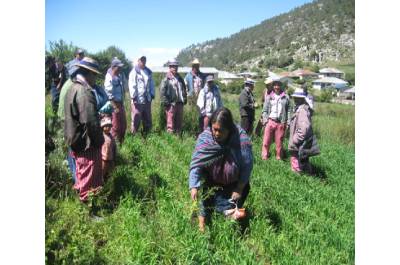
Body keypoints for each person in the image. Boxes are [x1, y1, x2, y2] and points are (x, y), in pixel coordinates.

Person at [189, 107, 253, 231]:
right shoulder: (205, 138)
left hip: (233, 184)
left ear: (229, 130)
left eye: (221, 131)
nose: (217, 134)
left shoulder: (241, 140)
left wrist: (239, 188)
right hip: (212, 181)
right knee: (205, 205)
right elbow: (197, 164)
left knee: (228, 215)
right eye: (215, 129)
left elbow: (247, 165)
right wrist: (194, 186)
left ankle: (230, 217)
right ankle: (201, 228)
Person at [64, 57, 104, 202]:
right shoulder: (84, 91)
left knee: (81, 174)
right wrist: (100, 140)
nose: (96, 79)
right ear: (88, 73)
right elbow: (90, 122)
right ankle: (90, 210)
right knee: (89, 177)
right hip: (86, 143)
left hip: (74, 139)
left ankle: (82, 202)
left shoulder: (72, 88)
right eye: (95, 75)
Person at [288, 88, 320, 173]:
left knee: (296, 161)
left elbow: (303, 129)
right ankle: (308, 175)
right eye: (294, 97)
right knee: (304, 159)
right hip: (302, 142)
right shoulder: (301, 108)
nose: (295, 99)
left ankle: (297, 178)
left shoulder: (302, 110)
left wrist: (295, 140)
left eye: (297, 98)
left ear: (301, 99)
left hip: (299, 143)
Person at [261, 78, 291, 160]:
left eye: (278, 85)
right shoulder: (269, 96)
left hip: (281, 122)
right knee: (266, 140)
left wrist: (288, 122)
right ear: (273, 86)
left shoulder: (286, 97)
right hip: (270, 121)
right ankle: (264, 156)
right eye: (275, 85)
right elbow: (264, 110)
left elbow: (288, 111)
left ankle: (278, 157)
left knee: (279, 142)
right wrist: (265, 120)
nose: (276, 87)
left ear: (281, 86)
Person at [128, 56, 155, 135]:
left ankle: (147, 135)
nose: (143, 61)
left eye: (144, 60)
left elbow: (152, 84)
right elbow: (132, 85)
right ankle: (134, 136)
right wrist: (134, 97)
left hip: (147, 99)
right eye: (141, 60)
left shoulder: (148, 72)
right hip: (137, 100)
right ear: (138, 61)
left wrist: (152, 94)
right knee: (136, 119)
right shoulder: (134, 72)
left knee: (147, 118)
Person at [160, 59, 187, 134]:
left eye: (176, 66)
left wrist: (185, 98)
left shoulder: (180, 78)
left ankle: (178, 137)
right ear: (170, 67)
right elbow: (162, 91)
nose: (175, 68)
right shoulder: (166, 79)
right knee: (170, 123)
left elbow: (184, 89)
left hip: (180, 103)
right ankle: (170, 139)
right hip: (171, 104)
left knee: (179, 122)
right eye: (173, 66)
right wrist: (166, 103)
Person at [104, 58, 127, 144]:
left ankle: (122, 142)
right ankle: (115, 145)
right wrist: (114, 106)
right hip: (114, 104)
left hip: (120, 104)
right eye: (119, 67)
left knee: (123, 125)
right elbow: (108, 94)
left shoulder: (119, 75)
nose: (120, 69)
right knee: (115, 126)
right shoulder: (109, 76)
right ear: (114, 67)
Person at [100, 116, 117, 180]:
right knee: (102, 172)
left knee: (112, 173)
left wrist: (114, 157)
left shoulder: (111, 137)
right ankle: (101, 184)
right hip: (103, 159)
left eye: (109, 126)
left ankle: (111, 183)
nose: (108, 127)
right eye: (106, 126)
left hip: (111, 159)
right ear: (102, 127)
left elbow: (114, 147)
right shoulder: (101, 136)